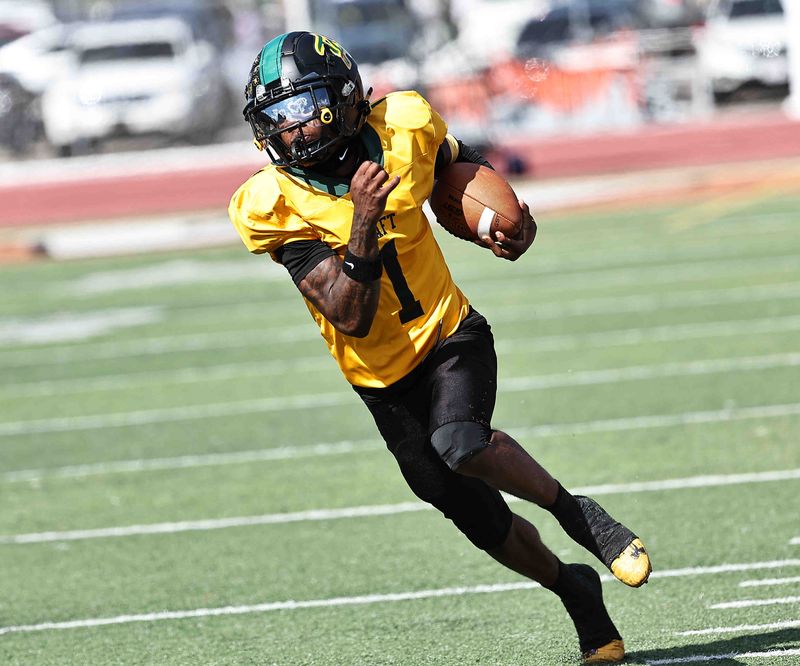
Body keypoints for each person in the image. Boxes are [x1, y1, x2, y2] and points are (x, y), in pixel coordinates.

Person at [229, 31, 651, 664]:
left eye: (300, 110)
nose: (289, 132)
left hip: (452, 336)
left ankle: (580, 515)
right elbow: (348, 312)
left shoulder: (405, 122)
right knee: (480, 522)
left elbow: (460, 165)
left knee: (461, 443)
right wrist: (365, 224)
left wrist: (508, 221)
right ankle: (577, 594)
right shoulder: (271, 202)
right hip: (381, 382)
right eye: (276, 117)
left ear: (342, 102)